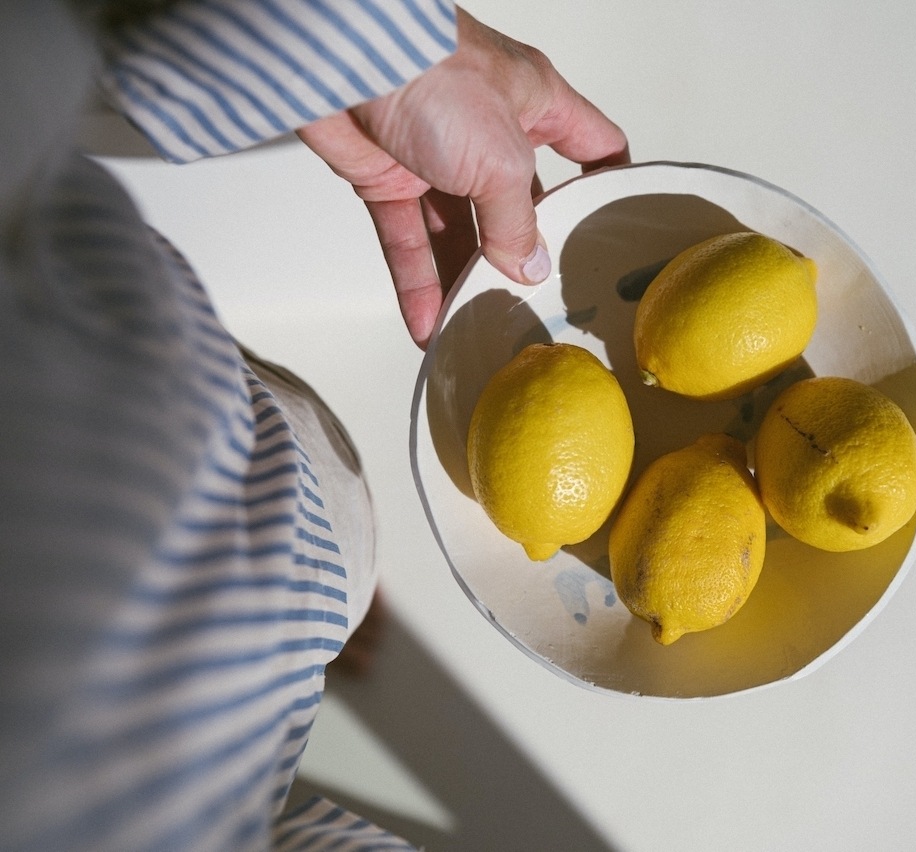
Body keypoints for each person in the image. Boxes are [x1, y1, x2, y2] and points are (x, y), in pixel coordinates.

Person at [0, 1, 628, 849]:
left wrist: (374, 52)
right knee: (321, 530)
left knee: (324, 515)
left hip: (189, 412)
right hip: (218, 493)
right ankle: (310, 604)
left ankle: (313, 596)